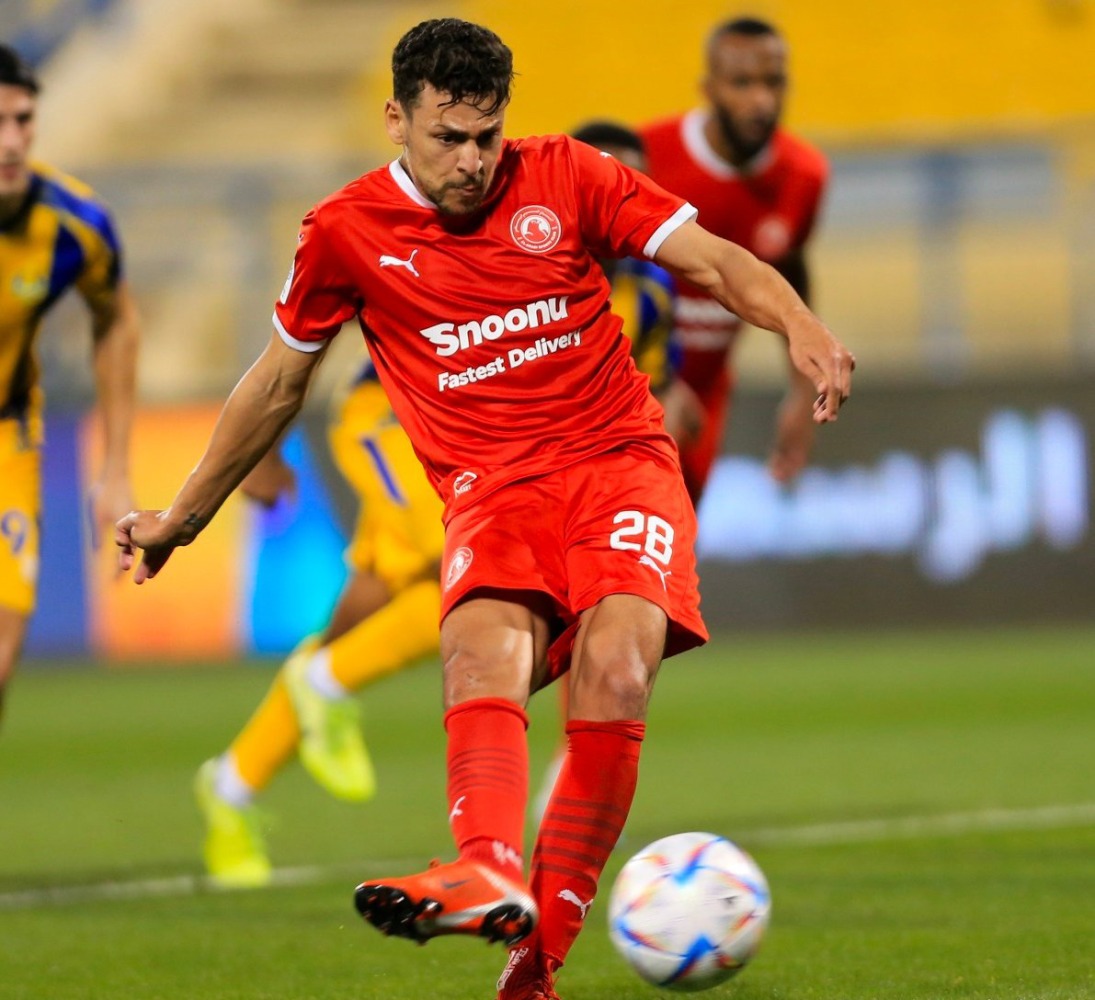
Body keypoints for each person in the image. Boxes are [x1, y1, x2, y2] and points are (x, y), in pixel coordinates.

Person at [115, 18, 853, 1000]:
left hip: (618, 463)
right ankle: (488, 871)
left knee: (616, 667)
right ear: (395, 120)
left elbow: (715, 260)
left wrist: (799, 325)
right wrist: (183, 516)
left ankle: (532, 960)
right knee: (477, 654)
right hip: (489, 490)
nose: (471, 161)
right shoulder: (343, 233)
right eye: (448, 138)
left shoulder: (569, 174)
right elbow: (278, 383)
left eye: (486, 136)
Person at [193, 355, 444, 888]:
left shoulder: (629, 308)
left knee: (362, 613)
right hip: (395, 413)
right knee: (468, 576)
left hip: (478, 420)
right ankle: (326, 681)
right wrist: (263, 448)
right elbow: (309, 329)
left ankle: (232, 785)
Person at [0, 44, 139, 727]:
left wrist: (114, 470)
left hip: (7, 431)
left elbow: (117, 322)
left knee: (3, 640)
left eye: (23, 120)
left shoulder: (75, 224)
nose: (11, 142)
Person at [640, 16, 829, 503]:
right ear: (709, 89)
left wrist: (801, 390)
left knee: (678, 538)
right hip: (623, 386)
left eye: (773, 82)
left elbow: (788, 265)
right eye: (742, 83)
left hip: (707, 393)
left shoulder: (803, 176)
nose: (761, 100)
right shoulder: (647, 158)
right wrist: (653, 384)